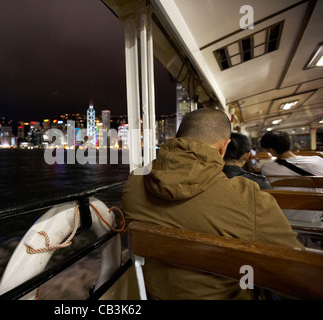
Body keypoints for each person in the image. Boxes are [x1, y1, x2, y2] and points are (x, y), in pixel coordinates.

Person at [121, 108, 304, 300]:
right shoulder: (247, 196)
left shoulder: (134, 183)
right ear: (223, 148)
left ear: (178, 138)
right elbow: (295, 269)